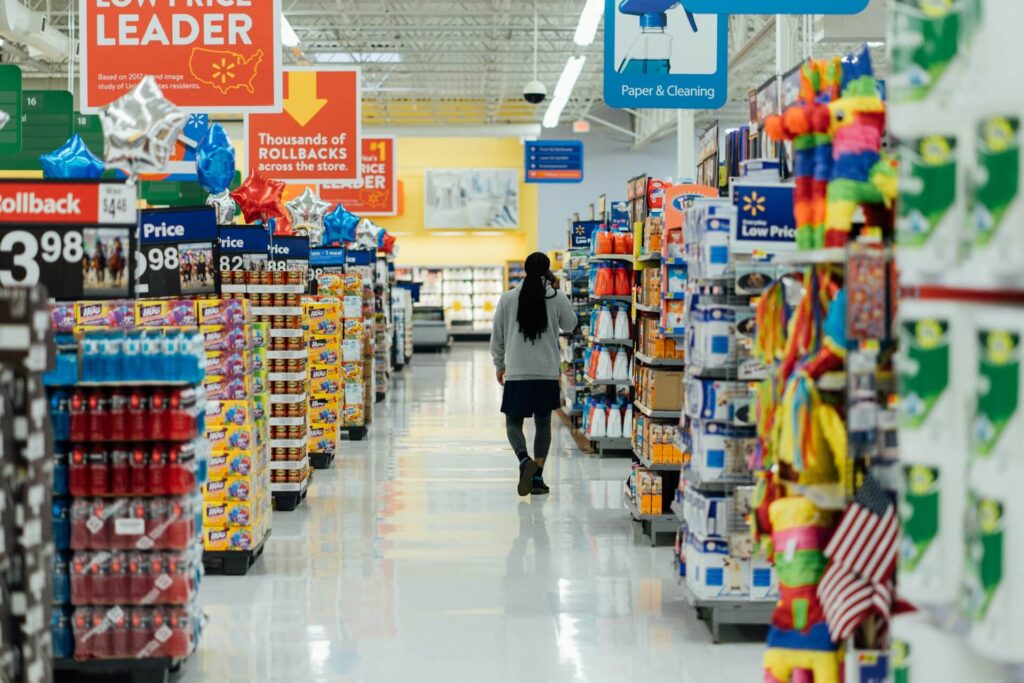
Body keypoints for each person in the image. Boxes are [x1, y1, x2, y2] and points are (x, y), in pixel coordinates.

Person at [490, 252, 578, 496]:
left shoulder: (508, 298)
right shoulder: (556, 296)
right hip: (546, 372)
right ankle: (537, 477)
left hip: (517, 371)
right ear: (547, 271)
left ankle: (523, 460)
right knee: (543, 423)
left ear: (525, 269)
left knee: (513, 423)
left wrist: (499, 364)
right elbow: (570, 324)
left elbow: (497, 336)